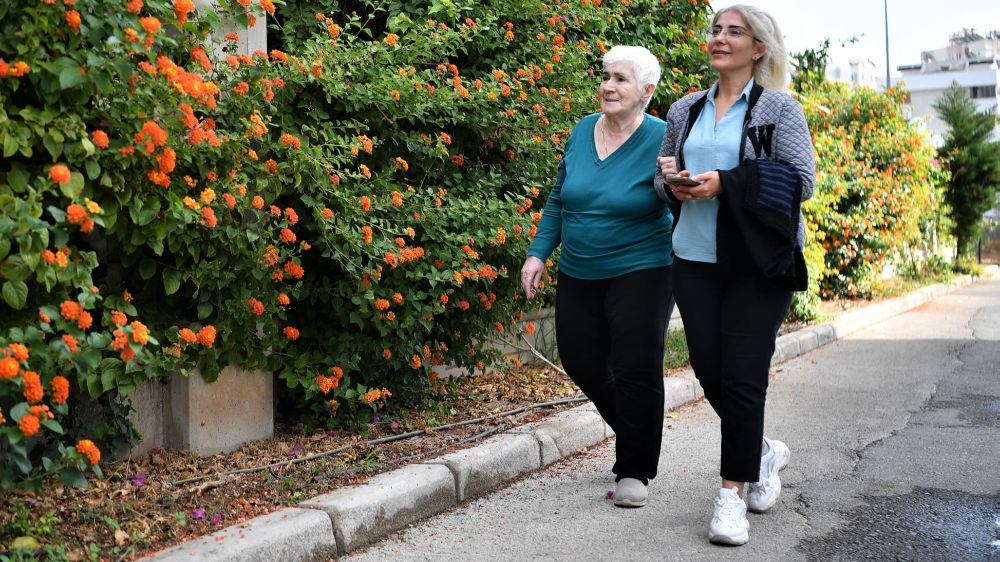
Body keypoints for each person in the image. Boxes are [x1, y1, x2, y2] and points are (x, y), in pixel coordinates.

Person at [653, 4, 816, 546]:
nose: (719, 38)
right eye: (716, 30)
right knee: (710, 369)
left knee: (744, 377)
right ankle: (762, 451)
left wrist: (727, 181)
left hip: (755, 262)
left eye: (734, 32)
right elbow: (663, 177)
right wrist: (672, 183)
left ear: (758, 48)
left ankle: (730, 498)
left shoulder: (779, 109)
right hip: (694, 257)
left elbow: (802, 181)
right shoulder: (685, 109)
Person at [520, 45, 675, 508]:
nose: (608, 86)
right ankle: (635, 430)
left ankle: (634, 468)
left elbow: (680, 195)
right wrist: (538, 253)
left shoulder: (663, 137)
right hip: (580, 269)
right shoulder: (583, 128)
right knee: (581, 359)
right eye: (606, 76)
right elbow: (559, 197)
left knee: (635, 365)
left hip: (643, 267)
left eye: (621, 79)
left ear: (646, 91)